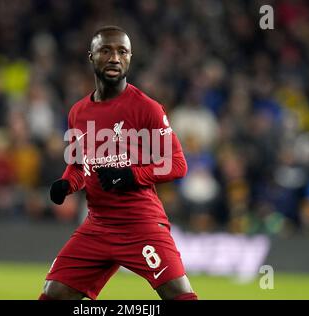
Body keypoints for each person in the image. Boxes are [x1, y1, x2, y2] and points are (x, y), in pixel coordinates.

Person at [39, 26, 197, 300]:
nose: (114, 58)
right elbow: (79, 165)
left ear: (130, 58)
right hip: (97, 226)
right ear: (91, 56)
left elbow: (176, 164)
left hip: (140, 223)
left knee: (178, 294)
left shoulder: (147, 108)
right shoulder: (78, 112)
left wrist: (131, 176)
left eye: (122, 52)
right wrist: (66, 184)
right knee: (53, 293)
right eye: (106, 50)